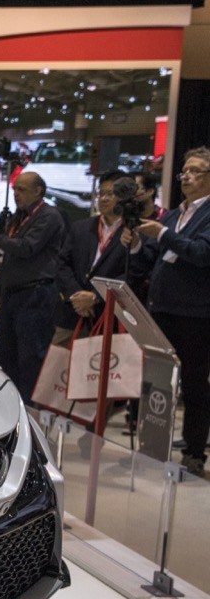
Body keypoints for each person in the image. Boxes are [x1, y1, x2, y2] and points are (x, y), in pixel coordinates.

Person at [124, 146, 210, 476]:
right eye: (184, 171)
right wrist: (136, 245)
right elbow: (154, 259)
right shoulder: (174, 215)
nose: (186, 177)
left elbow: (200, 253)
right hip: (160, 309)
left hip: (194, 314)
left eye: (195, 171)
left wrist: (161, 233)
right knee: (157, 380)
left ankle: (194, 451)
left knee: (194, 384)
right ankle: (154, 444)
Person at [0, 171, 67, 404]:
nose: (16, 194)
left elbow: (26, 247)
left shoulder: (49, 216)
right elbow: (13, 242)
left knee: (30, 358)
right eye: (15, 189)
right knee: (8, 354)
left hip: (35, 294)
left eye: (22, 189)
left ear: (38, 191)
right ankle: (13, 404)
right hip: (12, 293)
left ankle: (30, 408)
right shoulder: (19, 216)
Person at [52, 171, 132, 347]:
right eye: (100, 193)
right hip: (72, 313)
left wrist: (95, 297)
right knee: (61, 362)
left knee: (99, 364)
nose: (103, 199)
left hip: (108, 318)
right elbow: (62, 263)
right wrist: (75, 295)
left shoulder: (133, 231)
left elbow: (131, 274)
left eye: (110, 194)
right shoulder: (80, 227)